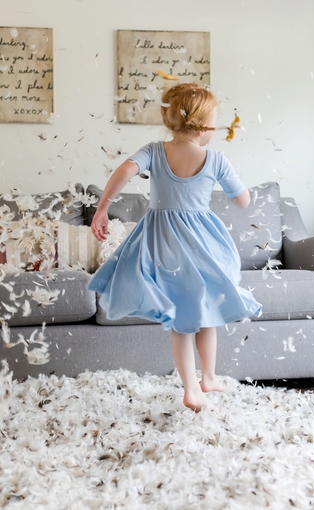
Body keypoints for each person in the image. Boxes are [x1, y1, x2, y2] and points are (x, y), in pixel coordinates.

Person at [88, 83, 262, 412]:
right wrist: (233, 185)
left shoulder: (154, 151)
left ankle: (197, 383)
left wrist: (102, 209)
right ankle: (205, 378)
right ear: (203, 126)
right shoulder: (215, 159)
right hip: (202, 246)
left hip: (163, 243)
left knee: (183, 318)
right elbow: (242, 201)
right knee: (207, 310)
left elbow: (125, 170)